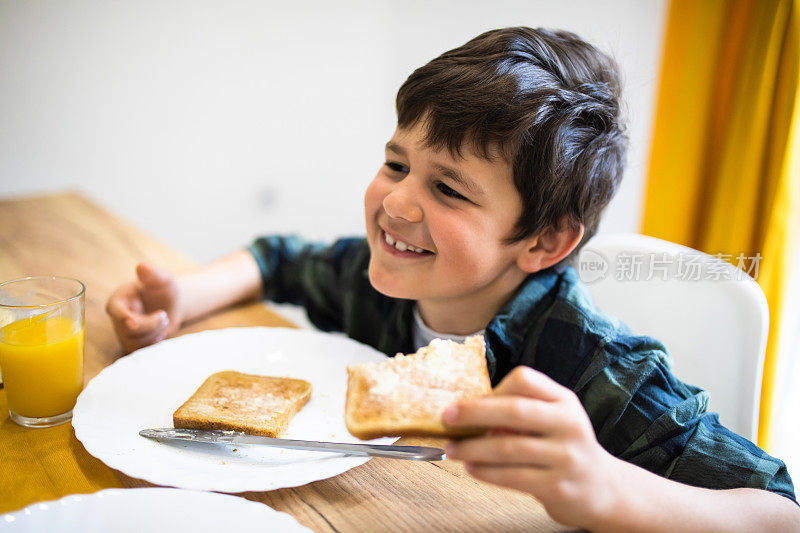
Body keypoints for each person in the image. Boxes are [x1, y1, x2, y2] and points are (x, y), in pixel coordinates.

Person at [106, 27, 799, 531]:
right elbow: (279, 256)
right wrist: (183, 295)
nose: (398, 203)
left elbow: (777, 508)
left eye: (450, 190)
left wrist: (603, 483)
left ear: (545, 239)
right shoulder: (375, 279)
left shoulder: (596, 367)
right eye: (397, 163)